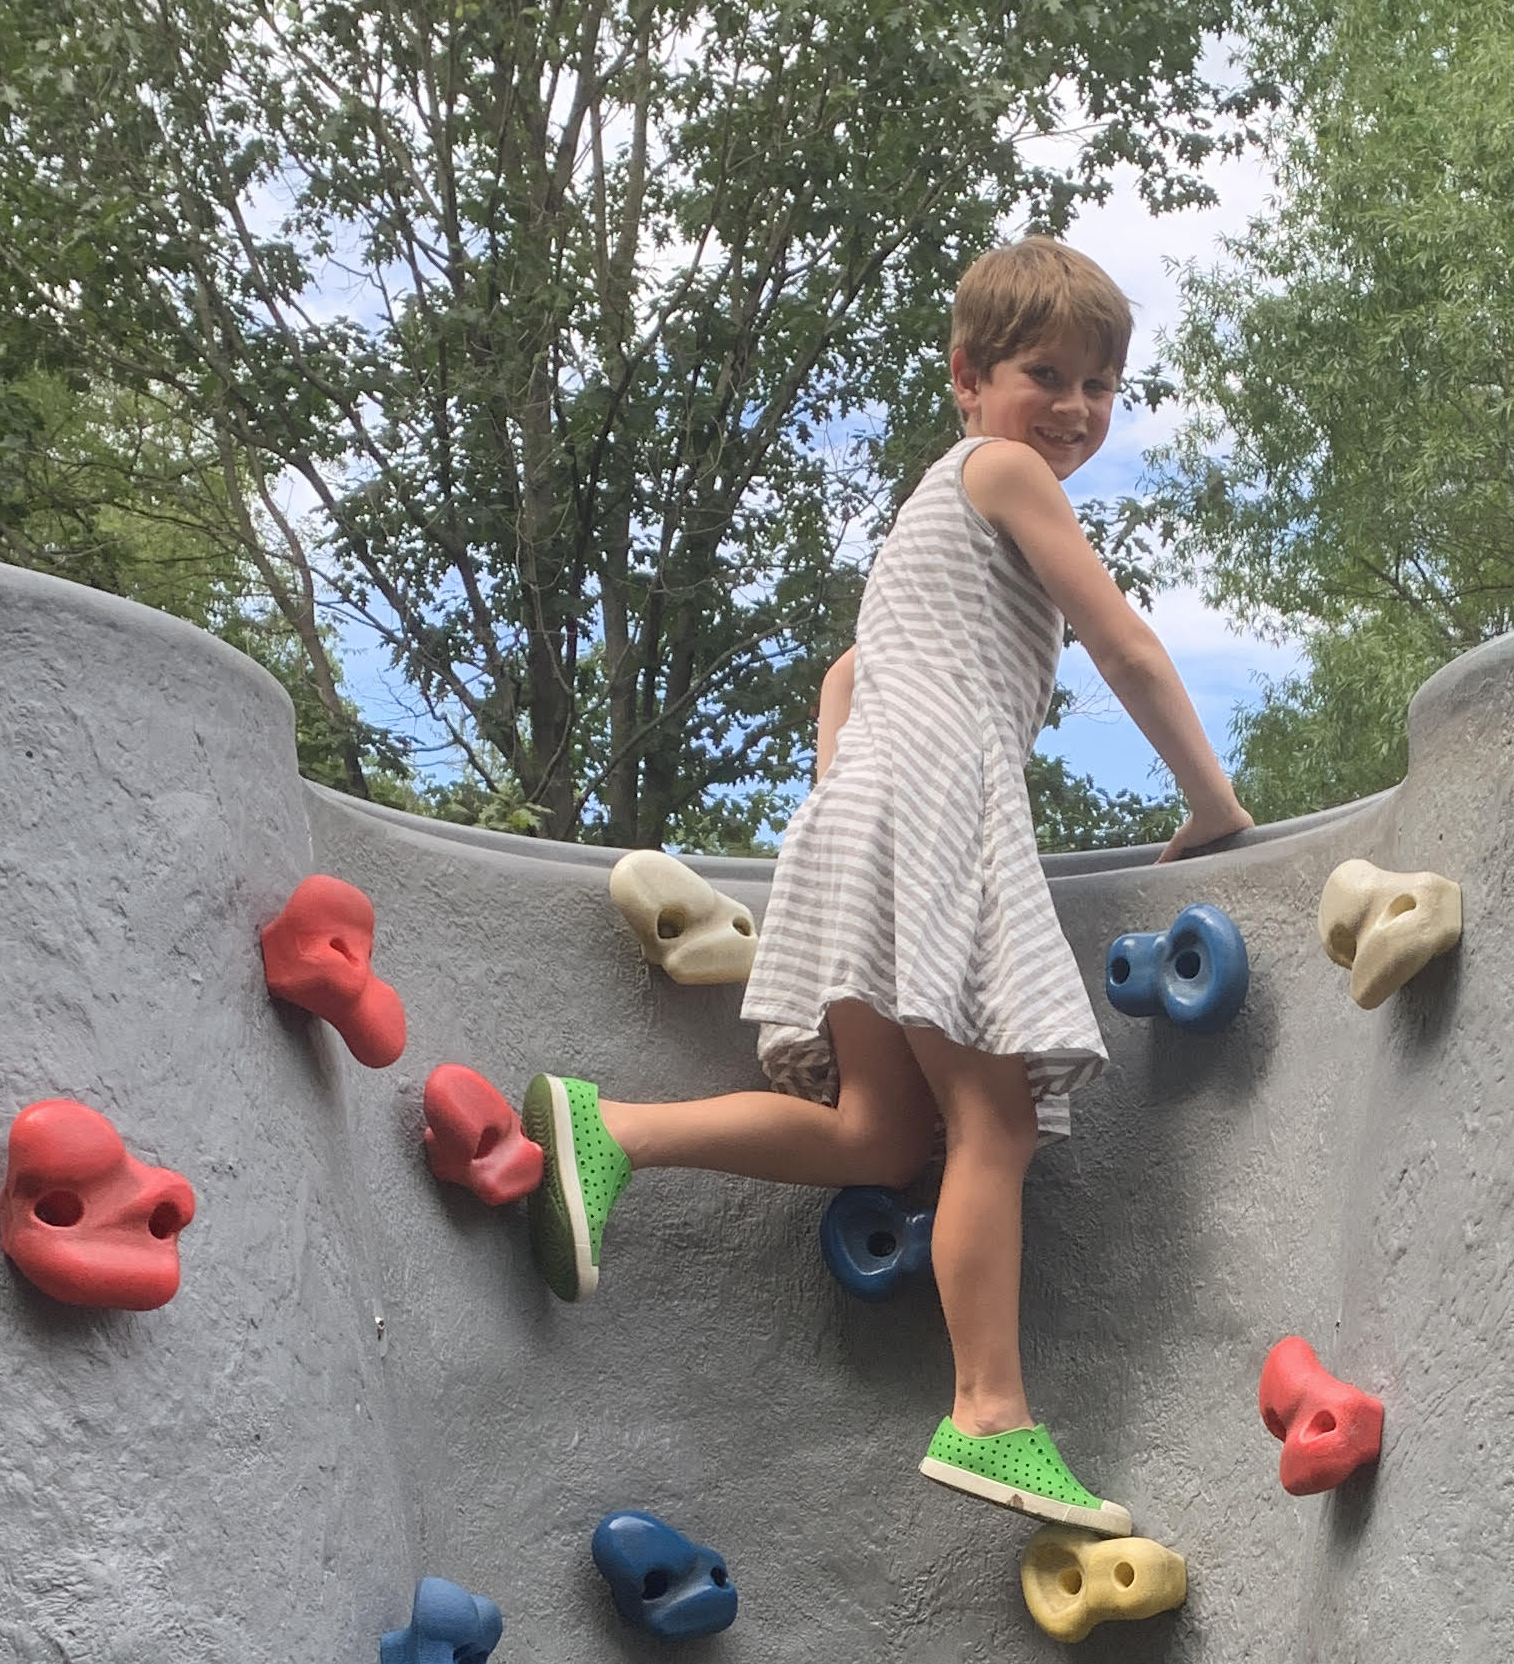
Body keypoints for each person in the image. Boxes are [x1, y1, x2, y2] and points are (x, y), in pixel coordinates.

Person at [519, 234, 1250, 1536]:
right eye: (1046, 374)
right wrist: (1212, 802)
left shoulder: (916, 538)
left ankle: (606, 1130)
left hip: (858, 818)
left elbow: (843, 692)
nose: (1075, 407)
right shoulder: (1005, 471)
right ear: (969, 378)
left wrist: (845, 851)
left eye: (1101, 384)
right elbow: (1124, 643)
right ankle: (992, 1416)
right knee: (997, 1130)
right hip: (933, 805)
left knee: (883, 1136)